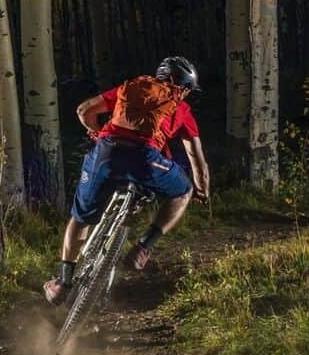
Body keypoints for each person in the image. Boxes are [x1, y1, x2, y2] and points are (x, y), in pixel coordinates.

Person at [43, 56, 210, 305]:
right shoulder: (181, 109)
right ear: (184, 87)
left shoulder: (130, 88)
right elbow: (196, 157)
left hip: (106, 153)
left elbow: (83, 110)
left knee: (80, 218)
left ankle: (63, 282)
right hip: (144, 159)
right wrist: (201, 189)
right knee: (182, 190)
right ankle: (143, 247)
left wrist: (98, 133)